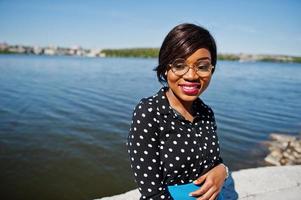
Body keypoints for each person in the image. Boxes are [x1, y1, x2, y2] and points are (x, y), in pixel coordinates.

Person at [127, 23, 229, 200]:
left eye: (202, 66)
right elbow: (152, 192)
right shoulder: (149, 112)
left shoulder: (206, 113)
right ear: (165, 68)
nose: (191, 76)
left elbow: (213, 162)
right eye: (180, 65)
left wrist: (222, 170)